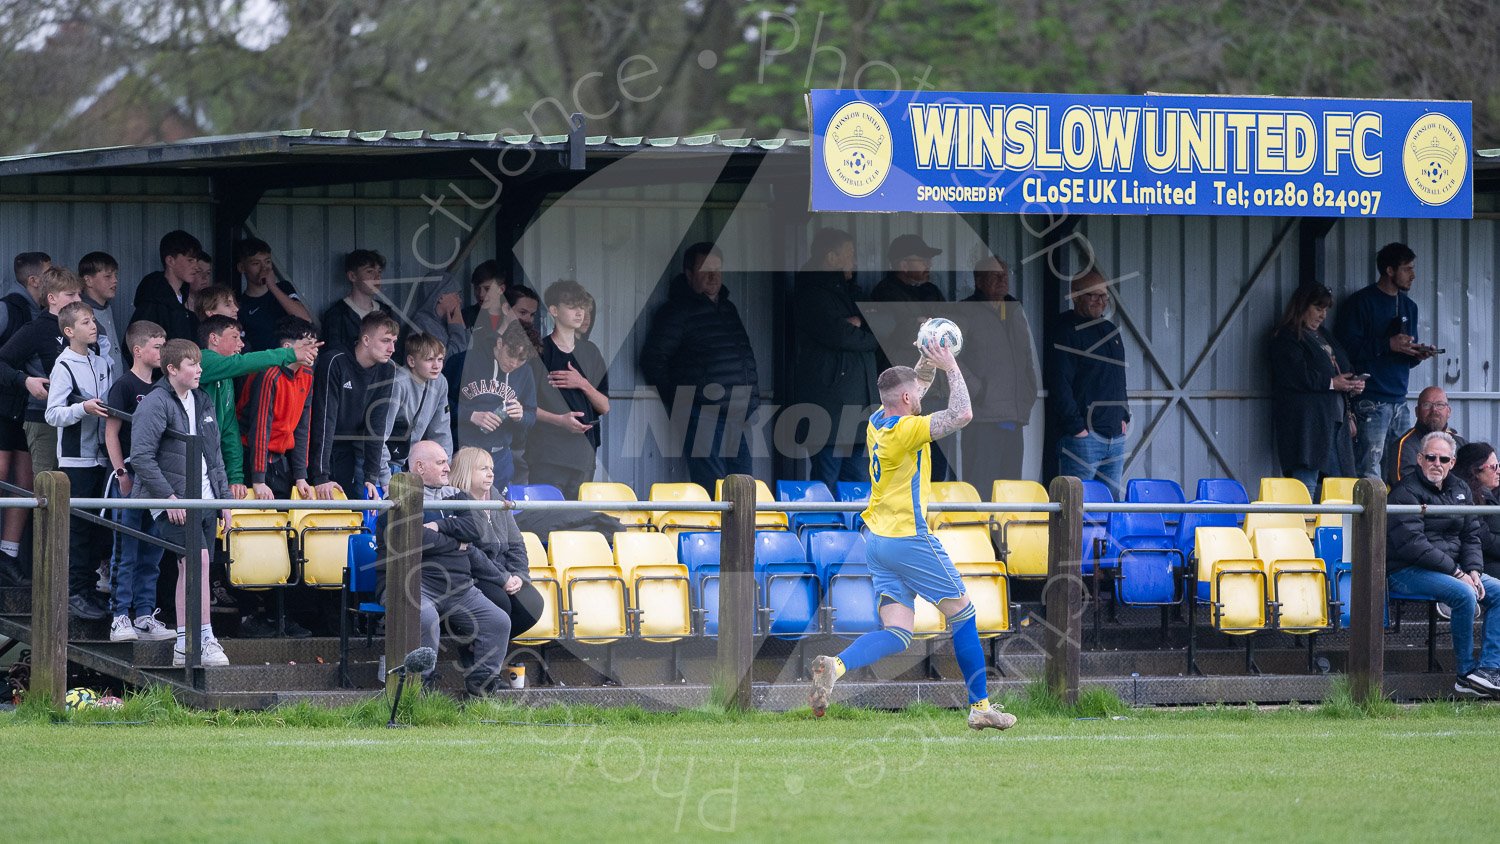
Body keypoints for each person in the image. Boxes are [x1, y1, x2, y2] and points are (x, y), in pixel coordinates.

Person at [807, 341, 1015, 731]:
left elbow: (912, 386)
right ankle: (980, 706)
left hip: (877, 541)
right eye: (915, 394)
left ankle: (835, 665)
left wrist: (927, 356)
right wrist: (951, 366)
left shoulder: (876, 421)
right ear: (906, 399)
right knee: (963, 613)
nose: (921, 396)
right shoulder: (909, 430)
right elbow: (961, 413)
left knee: (898, 633)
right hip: (909, 539)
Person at [129, 339, 233, 667]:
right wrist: (168, 497)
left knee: (193, 566)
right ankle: (204, 638)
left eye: (199, 363)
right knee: (197, 562)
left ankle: (185, 644)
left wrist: (225, 500)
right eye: (192, 364)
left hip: (205, 499)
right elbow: (141, 457)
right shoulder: (155, 402)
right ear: (172, 369)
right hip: (172, 501)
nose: (199, 369)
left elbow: (215, 454)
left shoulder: (202, 400)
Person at [1386, 431, 1500, 699]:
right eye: (1431, 457)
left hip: (1454, 570)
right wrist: (1458, 573)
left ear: (1452, 462)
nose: (1437, 463)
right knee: (1464, 593)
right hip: (1406, 570)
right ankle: (1465, 674)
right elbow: (1413, 545)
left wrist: (1474, 570)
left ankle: (1488, 670)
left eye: (1443, 459)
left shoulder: (1461, 489)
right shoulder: (1404, 493)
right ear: (1419, 459)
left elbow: (1471, 535)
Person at [639, 242, 758, 490]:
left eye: (718, 269)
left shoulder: (727, 308)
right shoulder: (677, 311)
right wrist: (684, 400)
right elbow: (653, 359)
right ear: (689, 274)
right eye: (705, 269)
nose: (713, 276)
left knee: (744, 488)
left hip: (737, 414)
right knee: (712, 488)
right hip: (703, 416)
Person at [397, 440, 510, 697]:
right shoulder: (401, 495)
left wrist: (440, 526)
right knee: (426, 619)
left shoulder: (457, 495)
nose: (448, 468)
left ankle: (481, 688)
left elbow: (474, 529)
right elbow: (415, 538)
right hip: (418, 583)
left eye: (446, 462)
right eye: (440, 463)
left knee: (498, 621)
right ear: (420, 467)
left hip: (460, 586)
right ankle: (421, 688)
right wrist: (455, 542)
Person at [1335, 242, 1439, 478]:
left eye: (1413, 269)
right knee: (1368, 468)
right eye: (1407, 269)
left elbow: (1405, 355)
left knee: (1401, 468)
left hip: (1399, 398)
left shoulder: (1409, 307)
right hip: (1370, 398)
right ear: (1389, 270)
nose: (1413, 275)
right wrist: (1387, 344)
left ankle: (1397, 505)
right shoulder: (1361, 302)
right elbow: (1346, 350)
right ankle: (1369, 506)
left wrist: (1418, 354)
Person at [44, 302, 115, 621]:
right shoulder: (63, 365)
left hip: (103, 458)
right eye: (86, 322)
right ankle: (74, 592)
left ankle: (88, 589)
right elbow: (52, 413)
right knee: (78, 529)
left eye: (93, 320)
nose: (93, 326)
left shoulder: (103, 362)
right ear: (69, 331)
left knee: (98, 527)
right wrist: (82, 409)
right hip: (76, 460)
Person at [103, 320, 173, 642]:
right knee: (125, 550)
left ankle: (144, 614)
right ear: (138, 350)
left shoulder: (162, 387)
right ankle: (119, 616)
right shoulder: (124, 386)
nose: (162, 351)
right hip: (129, 476)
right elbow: (111, 433)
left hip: (156, 480)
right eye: (157, 346)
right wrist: (121, 473)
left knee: (152, 551)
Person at [793, 227, 877, 490]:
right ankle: (824, 521)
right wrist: (871, 337)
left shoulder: (852, 291)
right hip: (828, 410)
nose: (855, 261)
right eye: (850, 254)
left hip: (859, 409)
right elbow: (840, 335)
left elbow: (882, 322)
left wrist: (860, 324)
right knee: (826, 485)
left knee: (857, 487)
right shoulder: (812, 293)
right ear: (831, 257)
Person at [198, 315, 317, 500]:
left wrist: (236, 477)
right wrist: (289, 355)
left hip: (219, 460)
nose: (241, 344)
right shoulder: (202, 360)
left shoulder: (227, 375)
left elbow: (230, 429)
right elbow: (242, 363)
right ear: (214, 338)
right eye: (235, 337)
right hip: (193, 458)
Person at [870, 233, 953, 480]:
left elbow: (947, 329)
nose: (929, 264)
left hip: (937, 393)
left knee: (938, 466)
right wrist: (919, 325)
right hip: (906, 398)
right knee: (910, 468)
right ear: (903, 264)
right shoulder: (885, 292)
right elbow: (900, 333)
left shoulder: (931, 291)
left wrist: (922, 323)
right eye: (922, 259)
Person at [1267, 284, 1362, 497]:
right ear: (1302, 306)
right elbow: (1295, 375)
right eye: (1318, 308)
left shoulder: (1324, 335)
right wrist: (1332, 383)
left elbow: (1344, 365)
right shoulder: (1286, 337)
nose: (1323, 315)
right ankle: (1305, 520)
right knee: (1306, 484)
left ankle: (1338, 521)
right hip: (1307, 425)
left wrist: (1352, 383)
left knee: (1342, 487)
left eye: (1325, 309)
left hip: (1335, 422)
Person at [956, 255, 1039, 485]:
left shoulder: (1014, 310)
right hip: (981, 420)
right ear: (979, 281)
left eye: (1005, 275)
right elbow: (950, 359)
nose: (1003, 280)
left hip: (1014, 418)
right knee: (980, 491)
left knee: (1010, 492)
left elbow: (1026, 358)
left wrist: (1029, 390)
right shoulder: (965, 311)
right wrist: (979, 391)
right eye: (995, 276)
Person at [447, 445, 544, 639]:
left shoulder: (498, 501)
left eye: (491, 468)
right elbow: (471, 551)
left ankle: (479, 649)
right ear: (466, 471)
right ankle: (481, 649)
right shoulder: (455, 502)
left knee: (532, 604)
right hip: (474, 576)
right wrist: (503, 578)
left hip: (503, 574)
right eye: (483, 469)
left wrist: (519, 575)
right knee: (500, 602)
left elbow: (516, 543)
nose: (491, 473)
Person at [1047, 268, 1129, 495]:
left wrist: (1124, 416)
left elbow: (1119, 379)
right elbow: (1059, 384)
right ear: (1075, 296)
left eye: (1104, 296)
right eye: (1093, 295)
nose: (1100, 301)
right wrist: (1077, 428)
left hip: (1115, 437)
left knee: (1110, 506)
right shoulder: (1065, 331)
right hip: (1083, 440)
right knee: (1075, 505)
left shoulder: (1111, 332)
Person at [0, 266, 84, 476]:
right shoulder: (36, 329)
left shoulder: (87, 326)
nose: (78, 299)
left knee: (77, 486)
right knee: (47, 486)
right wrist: (25, 380)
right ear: (51, 298)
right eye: (71, 294)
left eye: (79, 294)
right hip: (44, 418)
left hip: (82, 417)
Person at [530, 280, 609, 499]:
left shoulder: (591, 352)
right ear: (554, 311)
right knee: (547, 515)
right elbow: (523, 406)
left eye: (582, 307)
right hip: (547, 455)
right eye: (572, 306)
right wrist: (560, 420)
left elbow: (604, 406)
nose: (580, 312)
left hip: (584, 456)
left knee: (578, 518)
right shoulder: (539, 352)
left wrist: (582, 383)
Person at [309, 311, 398, 499]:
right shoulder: (335, 361)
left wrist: (371, 476)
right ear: (366, 340)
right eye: (385, 341)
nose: (392, 348)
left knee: (346, 509)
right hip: (314, 449)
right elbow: (324, 420)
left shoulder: (388, 368)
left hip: (347, 450)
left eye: (394, 342)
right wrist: (320, 476)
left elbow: (377, 423)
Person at [0, 252, 49, 585]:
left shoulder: (46, 315)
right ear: (34, 281)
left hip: (27, 410)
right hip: (3, 407)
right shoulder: (7, 309)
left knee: (25, 480)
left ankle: (8, 554)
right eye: (49, 273)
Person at [238, 318, 320, 503]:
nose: (314, 351)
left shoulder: (307, 374)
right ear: (286, 347)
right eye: (308, 345)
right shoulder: (269, 374)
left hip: (279, 457)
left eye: (315, 346)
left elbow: (302, 428)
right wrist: (258, 480)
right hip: (250, 456)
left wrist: (301, 476)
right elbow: (260, 428)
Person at [456, 323, 536, 491]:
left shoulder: (525, 372)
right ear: (500, 343)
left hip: (501, 456)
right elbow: (441, 405)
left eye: (521, 359)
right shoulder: (464, 361)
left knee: (499, 505)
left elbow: (531, 415)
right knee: (463, 504)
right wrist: (470, 415)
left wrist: (521, 416)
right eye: (511, 354)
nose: (514, 363)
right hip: (465, 452)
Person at [386, 332, 453, 472]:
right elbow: (381, 431)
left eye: (440, 359)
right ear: (411, 361)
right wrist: (382, 470)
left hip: (412, 460)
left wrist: (445, 465)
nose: (436, 366)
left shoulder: (440, 382)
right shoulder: (399, 383)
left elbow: (441, 429)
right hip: (386, 460)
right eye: (429, 359)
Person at [234, 238, 312, 352]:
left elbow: (305, 319)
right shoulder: (239, 305)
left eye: (267, 262)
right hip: (266, 360)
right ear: (242, 268)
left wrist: (272, 287)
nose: (264, 268)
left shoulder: (284, 287)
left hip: (294, 356)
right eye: (256, 263)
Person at [129, 230, 201, 344]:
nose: (196, 267)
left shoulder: (185, 299)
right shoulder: (152, 301)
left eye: (197, 260)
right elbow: (136, 344)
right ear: (170, 261)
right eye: (190, 260)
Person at [1388, 386, 1466, 485]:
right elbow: (1406, 489)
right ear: (1417, 412)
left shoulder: (1461, 444)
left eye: (1440, 405)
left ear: (1449, 411)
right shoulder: (1404, 446)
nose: (1434, 410)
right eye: (1427, 405)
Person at [321, 249, 390, 356]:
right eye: (370, 271)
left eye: (379, 271)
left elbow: (395, 353)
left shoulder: (386, 312)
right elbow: (334, 357)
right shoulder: (337, 315)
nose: (377, 277)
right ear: (352, 276)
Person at [1455, 442, 1500, 581]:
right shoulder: (1466, 497)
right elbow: (1484, 539)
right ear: (1475, 470)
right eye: (1494, 467)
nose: (1499, 471)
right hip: (1482, 563)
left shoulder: (1492, 492)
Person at [78, 251, 123, 377]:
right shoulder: (80, 312)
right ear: (88, 280)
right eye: (108, 276)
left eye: (115, 275)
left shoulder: (106, 307)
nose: (115, 280)